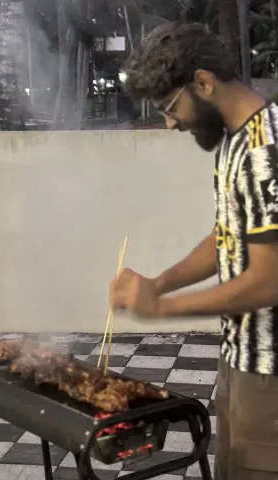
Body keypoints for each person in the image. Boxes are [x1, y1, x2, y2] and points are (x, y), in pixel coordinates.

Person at [109, 22, 278, 480]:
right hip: (241, 359)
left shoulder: (266, 148)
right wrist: (157, 282)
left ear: (203, 83)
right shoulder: (235, 142)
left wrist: (162, 310)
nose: (169, 123)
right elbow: (226, 237)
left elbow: (268, 280)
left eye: (169, 107)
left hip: (271, 375)